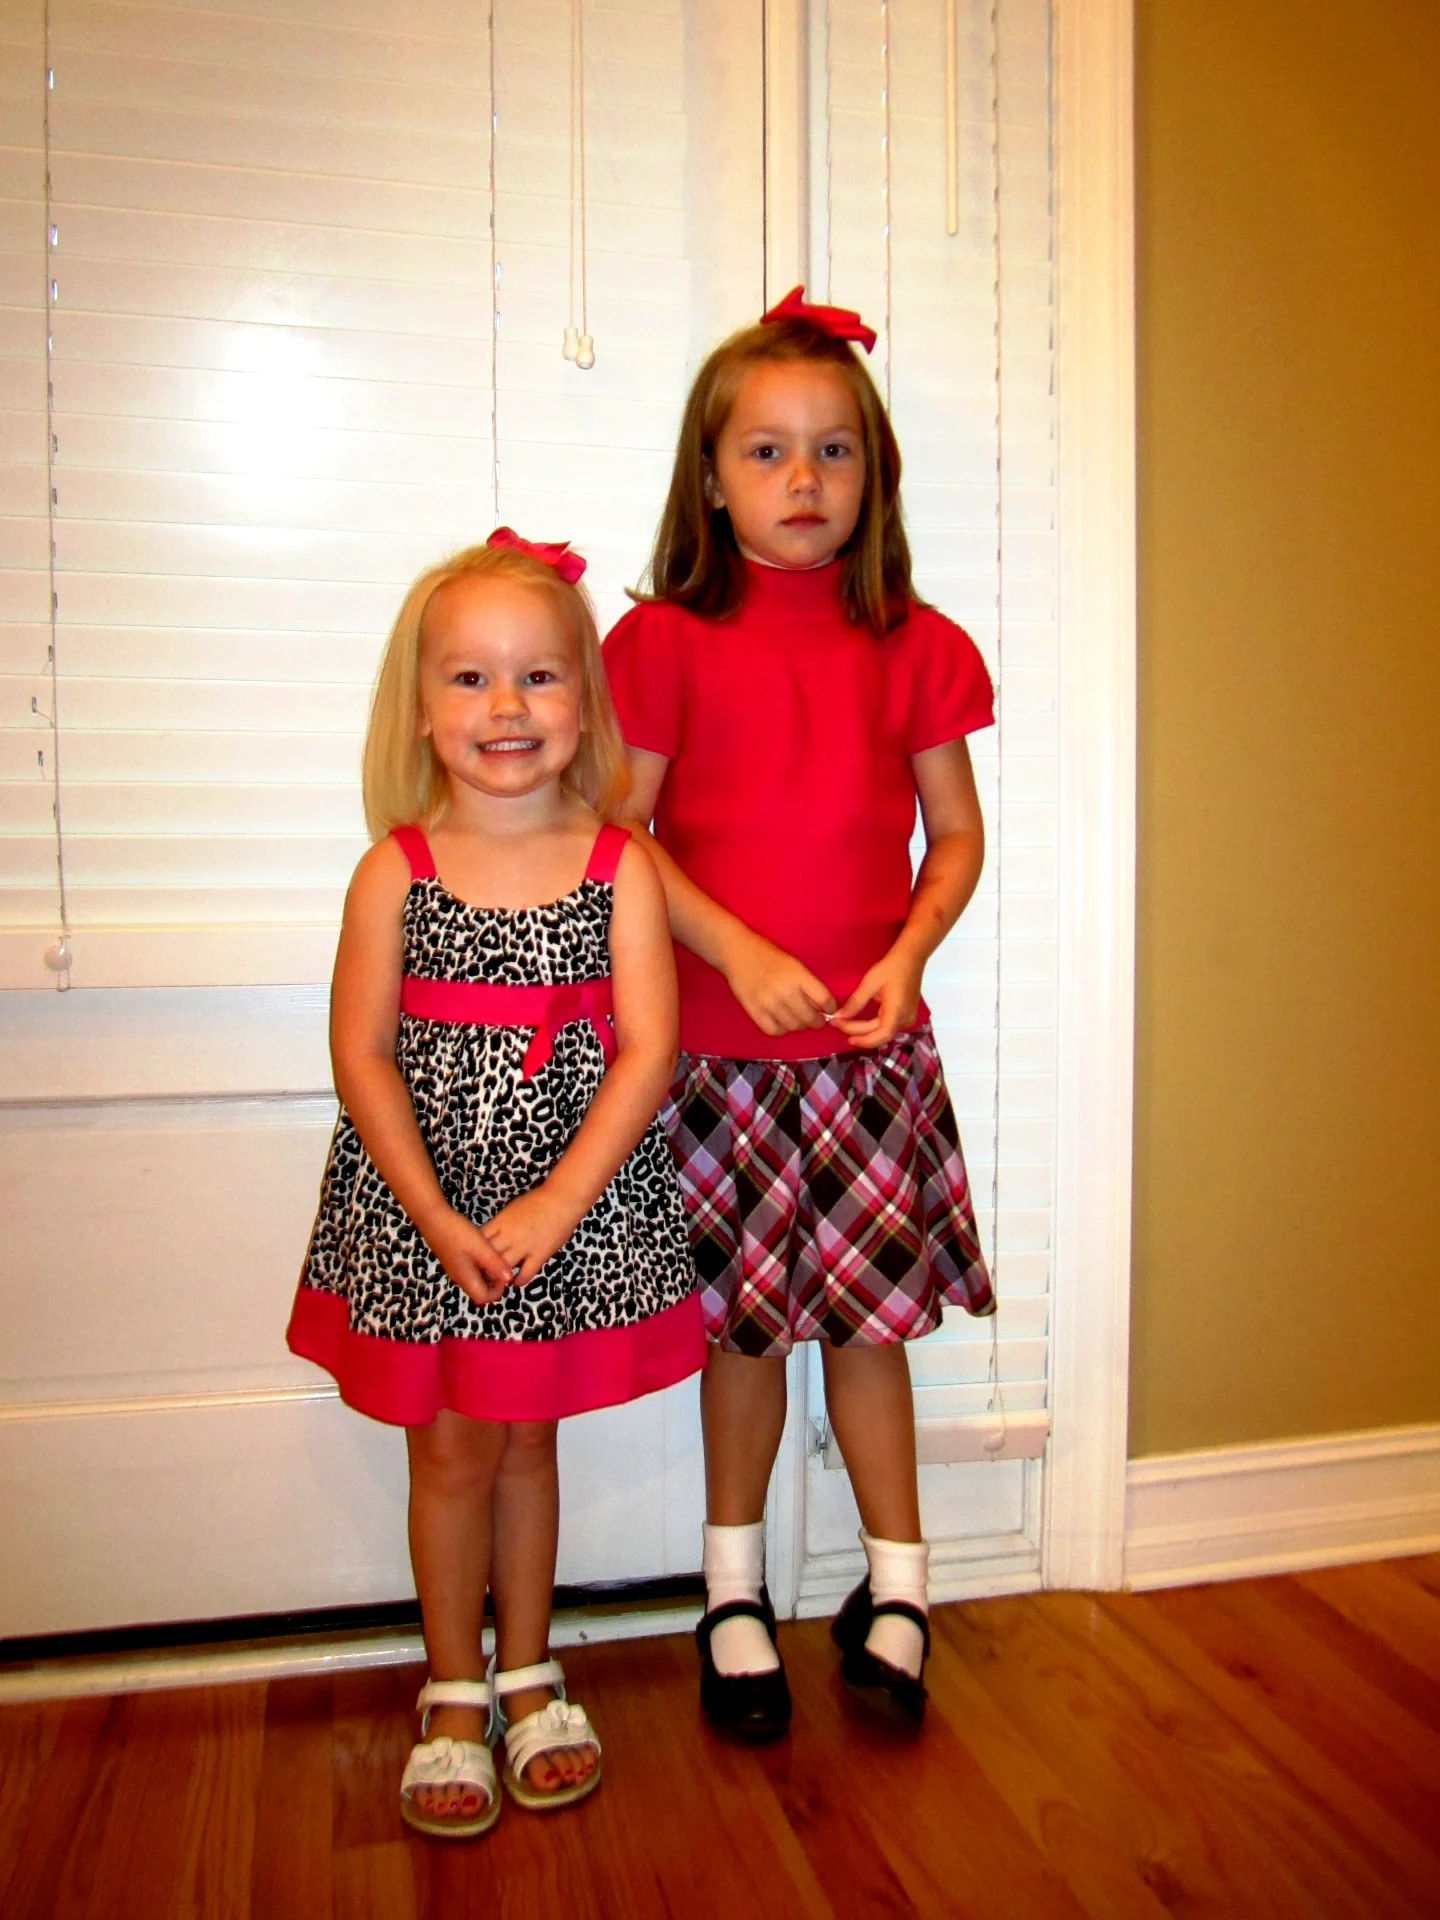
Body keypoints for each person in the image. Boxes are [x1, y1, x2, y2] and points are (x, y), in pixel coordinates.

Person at [603, 288, 995, 1738]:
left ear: (871, 473)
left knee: (871, 1337)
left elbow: (955, 836)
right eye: (765, 452)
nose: (804, 480)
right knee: (746, 1341)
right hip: (718, 1059)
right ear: (712, 478)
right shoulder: (661, 644)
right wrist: (738, 951)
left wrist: (911, 953)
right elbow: (619, 837)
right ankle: (732, 1592)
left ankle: (900, 1585)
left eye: (835, 451)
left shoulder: (919, 643)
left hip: (868, 1055)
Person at [288, 530, 702, 1836]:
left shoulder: (620, 867)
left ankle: (528, 1670)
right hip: (427, 1210)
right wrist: (434, 1215)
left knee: (529, 1440)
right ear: (420, 707)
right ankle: (454, 1687)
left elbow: (648, 1051)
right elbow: (362, 1057)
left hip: (567, 1210)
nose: (506, 706)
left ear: (584, 700)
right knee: (452, 1447)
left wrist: (556, 1206)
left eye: (539, 675)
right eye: (469, 678)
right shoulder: (394, 871)